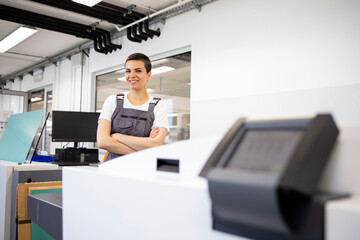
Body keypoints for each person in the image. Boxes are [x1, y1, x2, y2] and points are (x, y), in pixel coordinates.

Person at [97, 53, 169, 161]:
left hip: (142, 169)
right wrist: (144, 147)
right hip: (112, 169)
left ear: (148, 75)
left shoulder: (159, 106)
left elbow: (156, 144)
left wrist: (116, 136)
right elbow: (102, 141)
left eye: (138, 71)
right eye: (128, 71)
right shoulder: (112, 101)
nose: (132, 75)